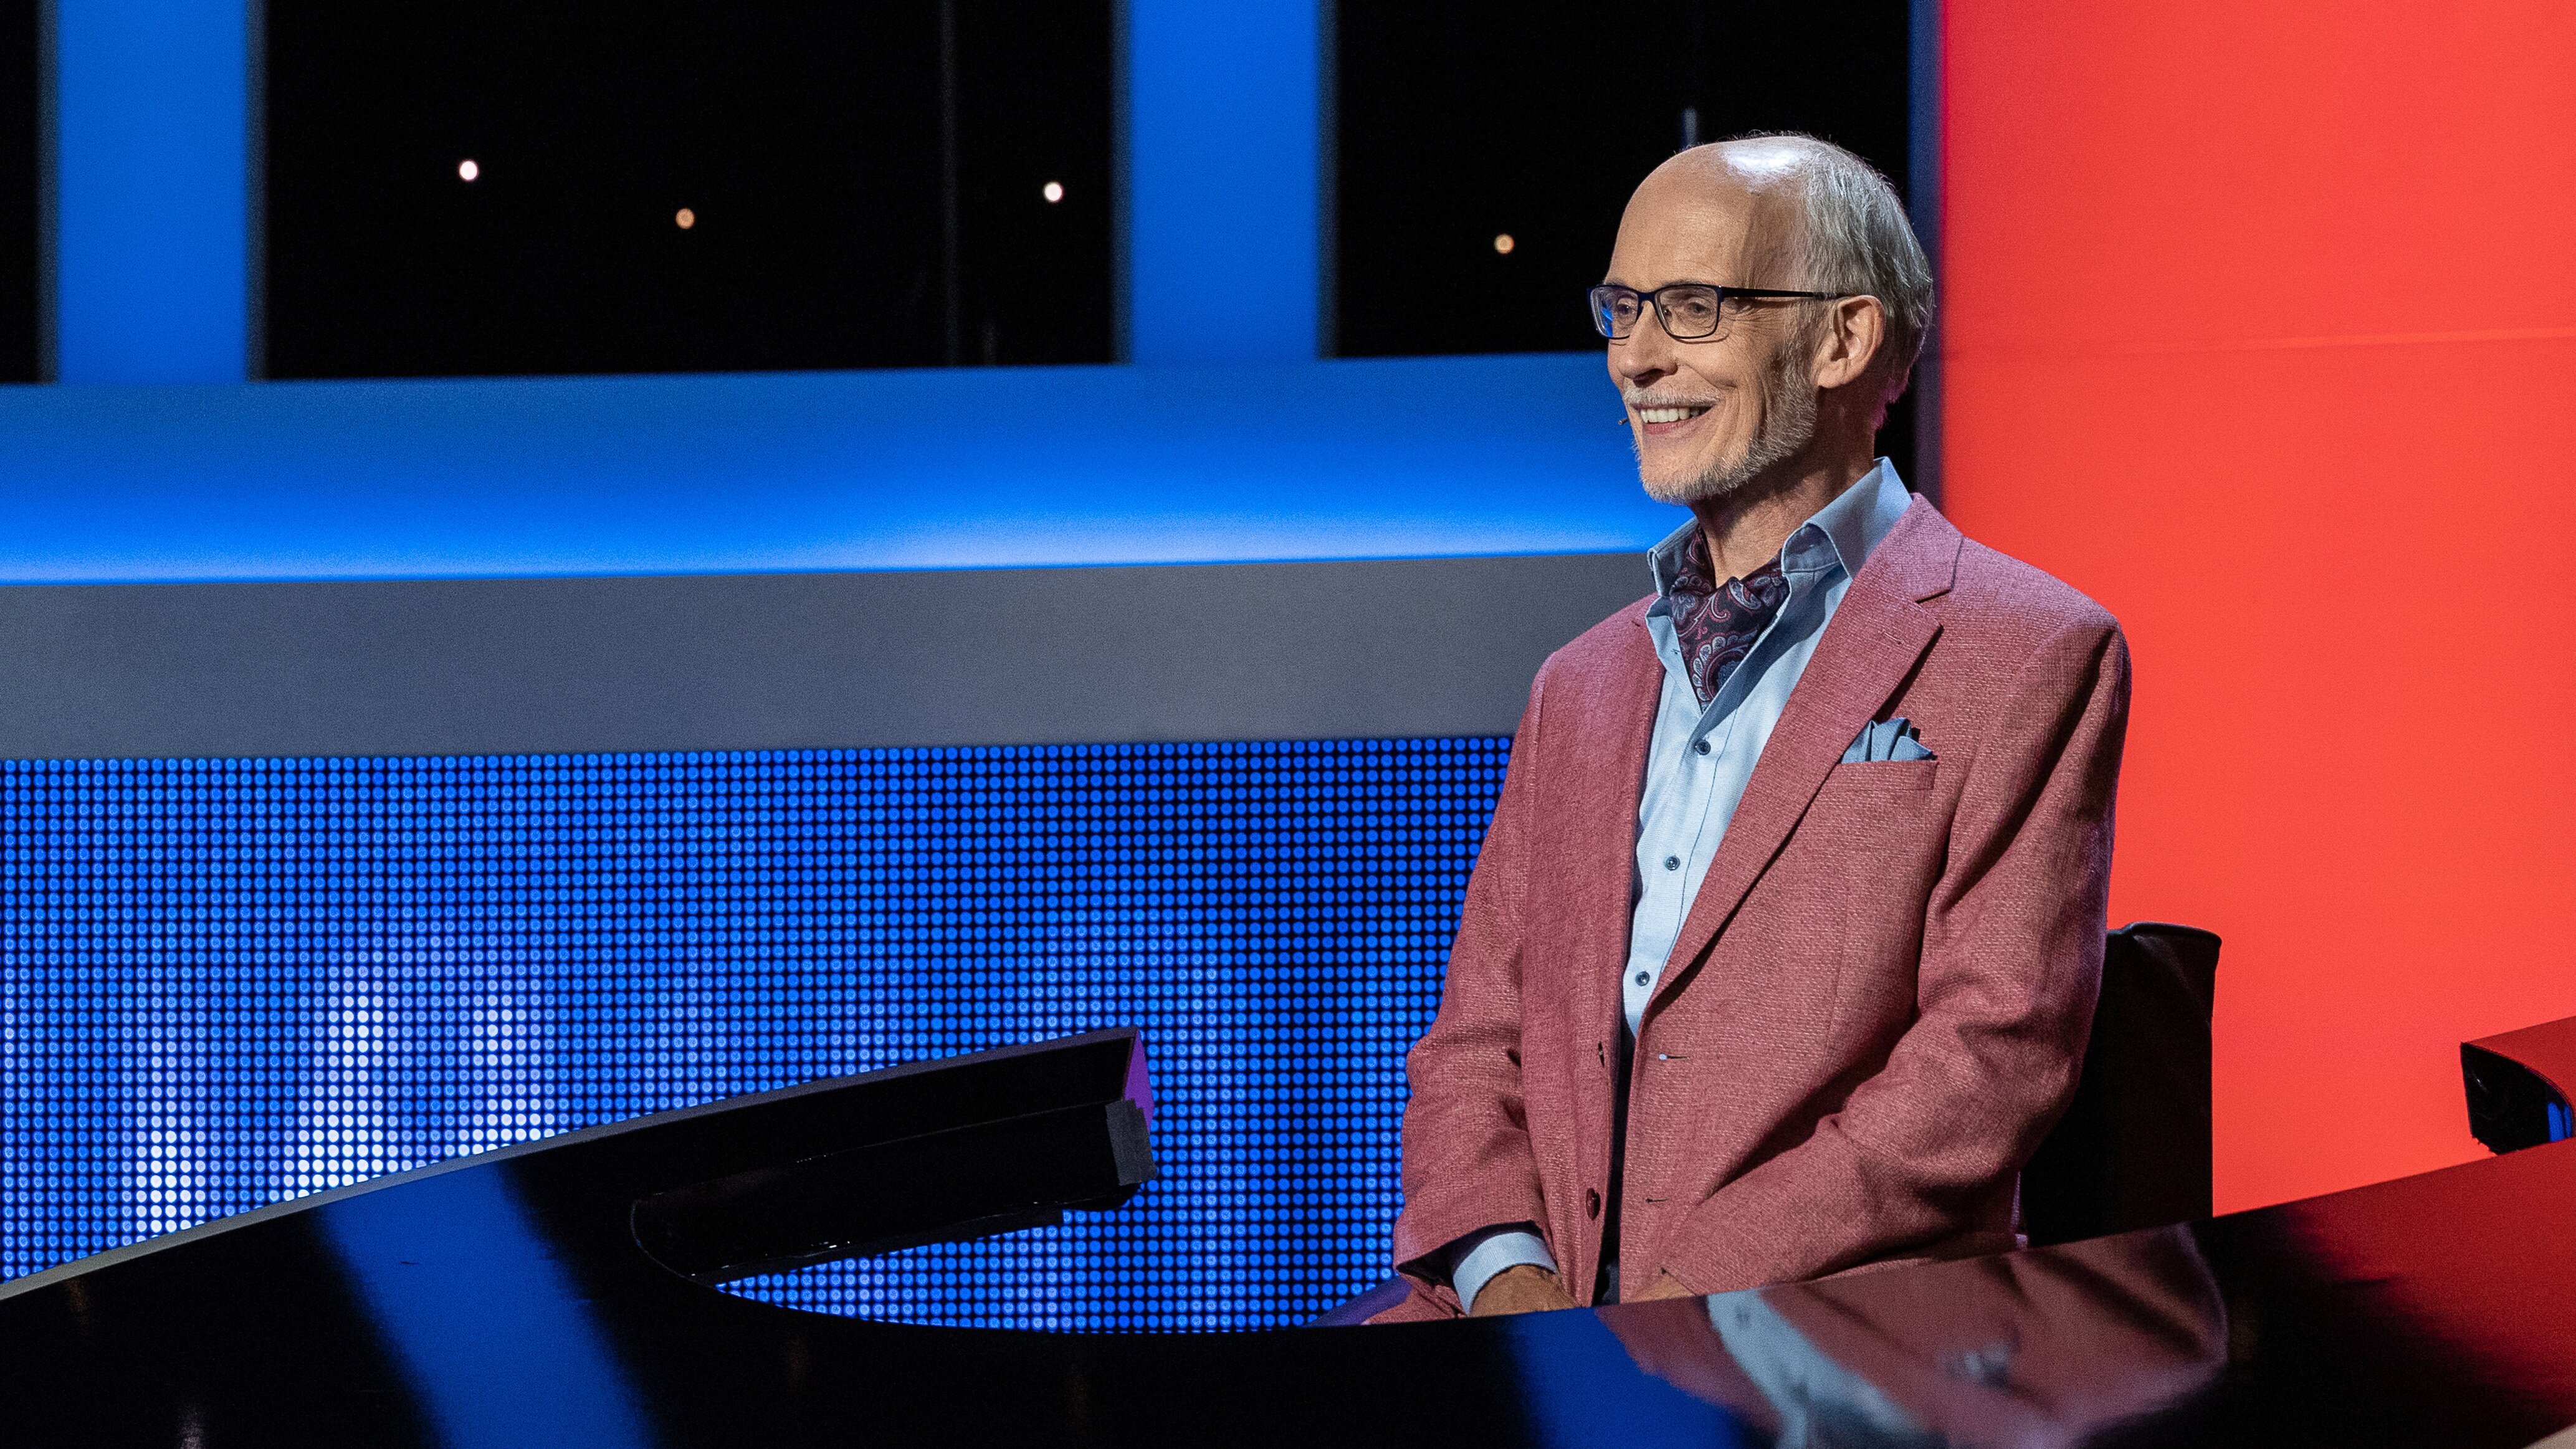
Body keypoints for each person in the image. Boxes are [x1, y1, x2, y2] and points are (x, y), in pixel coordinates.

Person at [1375, 133, 2130, 1321]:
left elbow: (1987, 1060)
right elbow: (1474, 1044)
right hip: (1536, 1313)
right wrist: (1507, 1282)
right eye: (1621, 309)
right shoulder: (1578, 683)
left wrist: (1678, 1306)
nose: (1634, 357)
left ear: (1843, 340)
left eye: (1692, 306)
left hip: (1830, 1325)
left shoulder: (2029, 649)